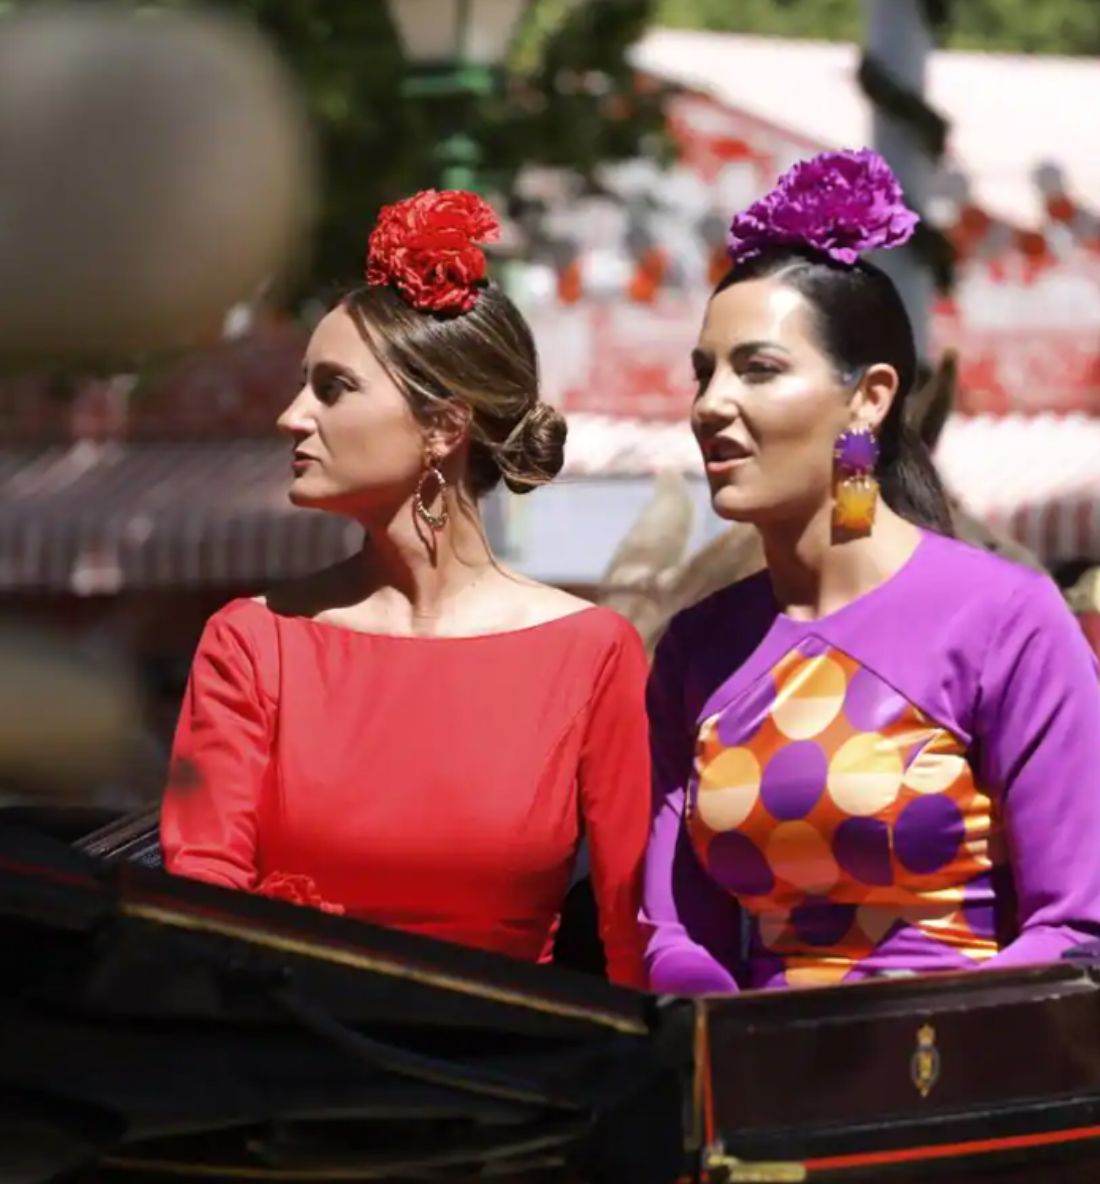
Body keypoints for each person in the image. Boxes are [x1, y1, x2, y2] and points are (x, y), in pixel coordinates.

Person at [160, 189, 649, 987]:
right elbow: (196, 904)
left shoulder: (593, 654)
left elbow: (635, 930)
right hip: (286, 1049)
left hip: (514, 1057)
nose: (291, 416)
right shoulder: (251, 641)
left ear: (443, 427)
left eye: (332, 388)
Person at [642, 149, 1100, 994]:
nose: (710, 404)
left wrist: (898, 1041)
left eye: (758, 369)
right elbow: (673, 933)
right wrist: (736, 1030)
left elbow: (1076, 927)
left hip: (964, 1062)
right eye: (704, 373)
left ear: (871, 397)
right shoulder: (695, 649)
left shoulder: (1008, 620)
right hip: (756, 1070)